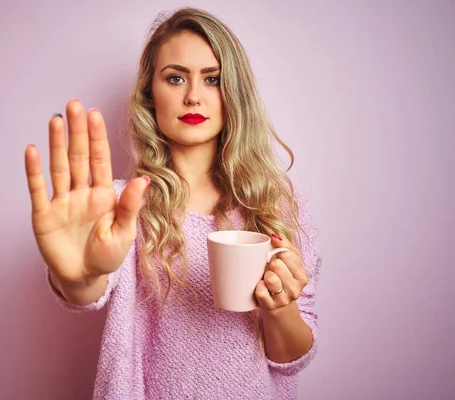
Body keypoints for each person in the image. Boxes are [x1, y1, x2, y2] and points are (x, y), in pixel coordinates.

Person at [24, 7, 322, 400]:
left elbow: (290, 357)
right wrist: (77, 277)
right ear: (151, 94)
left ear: (234, 91)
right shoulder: (122, 204)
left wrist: (280, 306)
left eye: (212, 79)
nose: (194, 96)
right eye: (176, 78)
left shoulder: (276, 205)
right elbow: (86, 288)